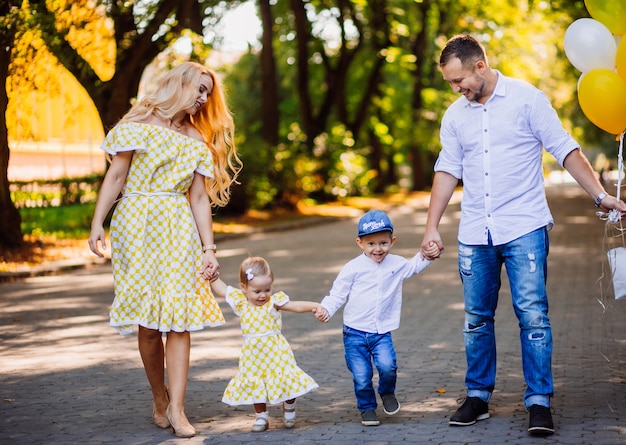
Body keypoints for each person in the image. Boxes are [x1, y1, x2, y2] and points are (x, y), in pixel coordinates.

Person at [420, 34, 626, 436]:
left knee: (533, 316)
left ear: (480, 66)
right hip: (475, 231)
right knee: (476, 320)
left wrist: (600, 195)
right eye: (449, 83)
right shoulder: (454, 116)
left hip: (524, 227)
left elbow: (565, 149)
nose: (456, 88)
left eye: (458, 80)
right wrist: (431, 227)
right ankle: (477, 396)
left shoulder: (527, 100)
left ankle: (538, 402)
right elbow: (447, 170)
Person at [88, 61, 242, 438]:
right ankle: (160, 396)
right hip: (136, 227)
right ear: (180, 85)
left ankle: (177, 408)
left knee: (179, 319)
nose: (204, 98)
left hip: (177, 229)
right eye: (200, 89)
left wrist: (209, 249)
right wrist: (97, 222)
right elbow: (117, 176)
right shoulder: (137, 126)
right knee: (148, 323)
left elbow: (199, 199)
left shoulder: (195, 139)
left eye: (209, 92)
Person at [315, 210, 440, 426]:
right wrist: (326, 308)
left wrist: (428, 255)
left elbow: (413, 267)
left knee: (387, 366)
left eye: (383, 243)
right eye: (371, 243)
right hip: (354, 332)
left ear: (392, 241)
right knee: (362, 376)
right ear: (360, 243)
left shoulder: (396, 263)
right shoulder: (353, 268)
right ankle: (367, 408)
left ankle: (387, 392)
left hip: (381, 332)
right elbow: (338, 293)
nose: (378, 249)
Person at [209, 256, 326, 432]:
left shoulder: (274, 302)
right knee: (256, 383)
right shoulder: (241, 302)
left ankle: (289, 406)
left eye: (267, 289)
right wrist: (213, 278)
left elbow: (294, 306)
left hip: (276, 351)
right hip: (253, 355)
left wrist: (314, 305)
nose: (263, 295)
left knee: (286, 379)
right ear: (244, 288)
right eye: (257, 291)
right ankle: (261, 416)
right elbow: (223, 290)